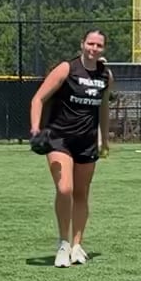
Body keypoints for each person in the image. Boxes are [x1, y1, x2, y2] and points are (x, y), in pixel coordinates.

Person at [29, 29, 113, 268]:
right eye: (90, 43)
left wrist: (105, 139)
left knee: (81, 194)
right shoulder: (67, 68)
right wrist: (35, 129)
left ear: (103, 48)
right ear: (82, 44)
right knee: (65, 188)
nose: (93, 48)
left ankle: (77, 245)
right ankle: (63, 244)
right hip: (59, 139)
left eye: (98, 45)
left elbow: (103, 108)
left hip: (86, 141)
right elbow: (37, 99)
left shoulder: (106, 75)